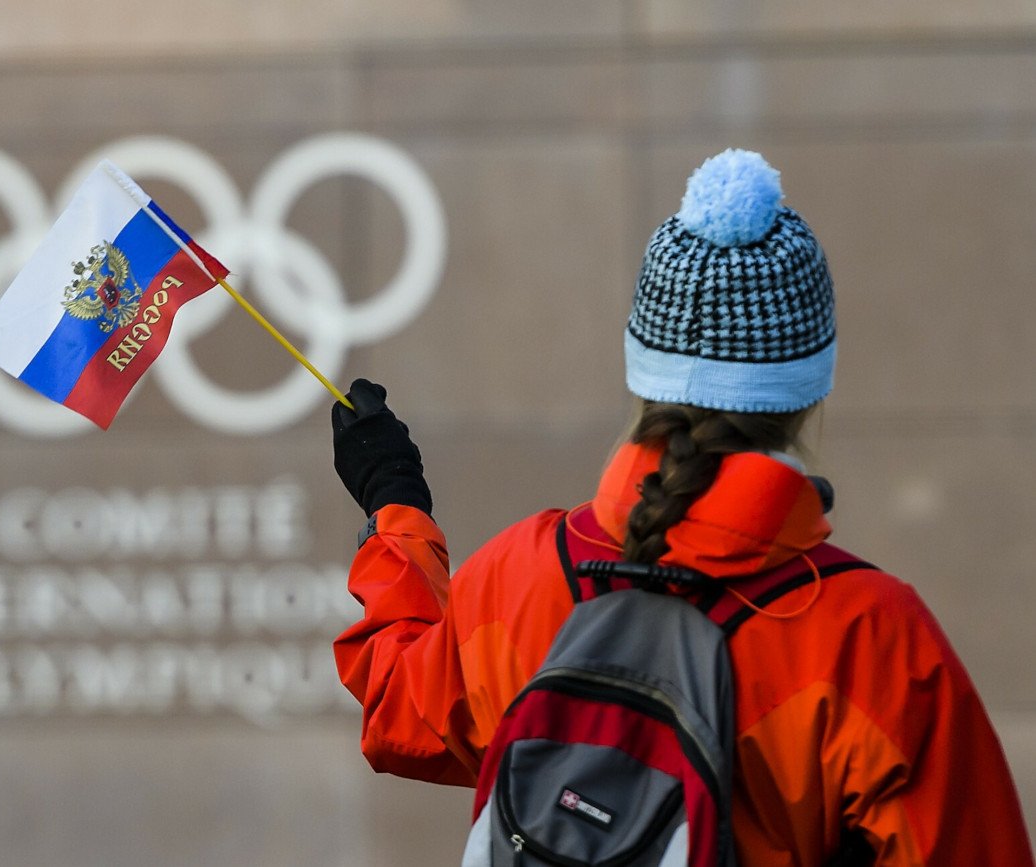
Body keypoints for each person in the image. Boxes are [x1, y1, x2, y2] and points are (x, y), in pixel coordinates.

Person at [329, 149, 1034, 865]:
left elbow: (400, 709)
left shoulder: (525, 571)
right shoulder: (873, 640)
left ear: (642, 367)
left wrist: (395, 503)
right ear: (807, 388)